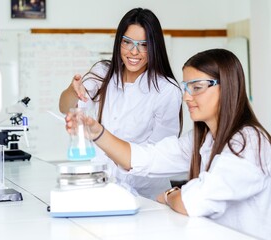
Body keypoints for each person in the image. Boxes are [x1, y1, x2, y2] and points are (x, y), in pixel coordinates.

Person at [65, 48, 271, 239]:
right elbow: (145, 158)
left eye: (197, 87)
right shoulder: (201, 139)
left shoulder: (249, 143)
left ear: (226, 87)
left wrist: (172, 193)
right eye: (186, 87)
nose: (187, 97)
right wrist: (97, 132)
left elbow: (193, 202)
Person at [59, 8, 182, 199]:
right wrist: (72, 90)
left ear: (155, 46)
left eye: (144, 45)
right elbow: (66, 107)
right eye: (127, 42)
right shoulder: (103, 73)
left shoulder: (167, 90)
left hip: (147, 196)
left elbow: (157, 158)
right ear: (119, 42)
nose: (134, 51)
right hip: (101, 187)